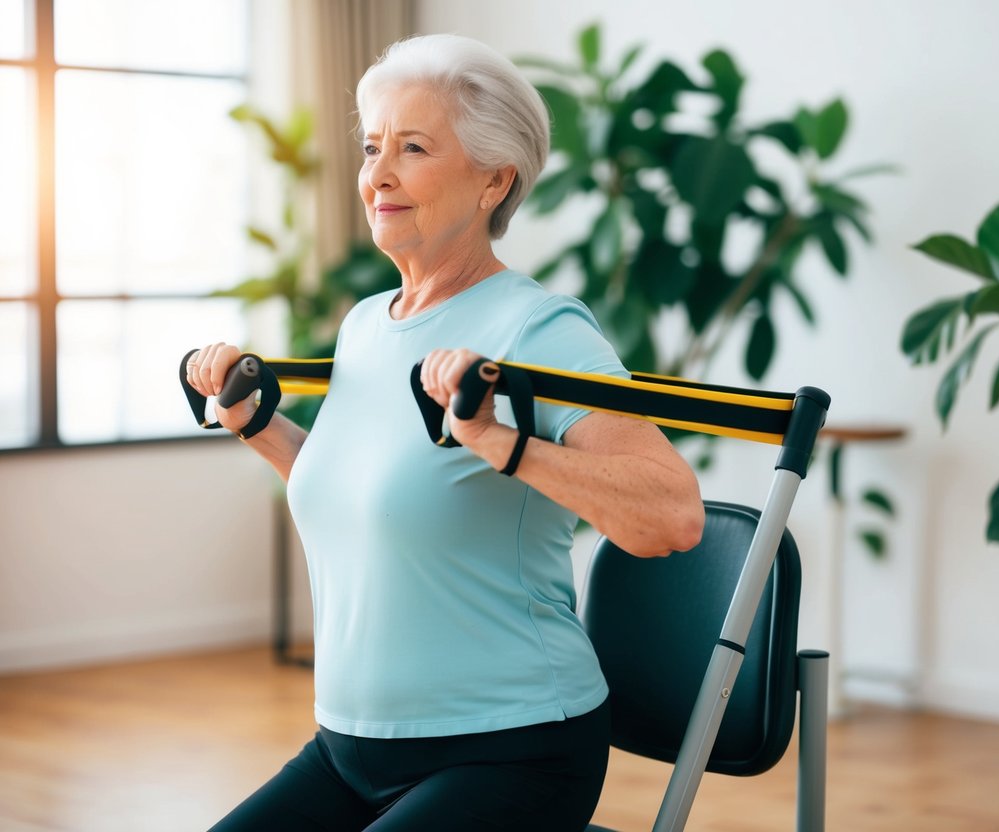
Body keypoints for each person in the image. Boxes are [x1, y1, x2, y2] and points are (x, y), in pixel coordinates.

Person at [187, 33, 705, 832]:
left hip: (511, 747)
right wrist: (257, 427)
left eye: (414, 148)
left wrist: (502, 442)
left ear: (494, 180)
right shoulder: (367, 324)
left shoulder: (538, 327)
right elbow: (373, 501)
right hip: (347, 748)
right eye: (371, 147)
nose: (377, 175)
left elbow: (671, 517)